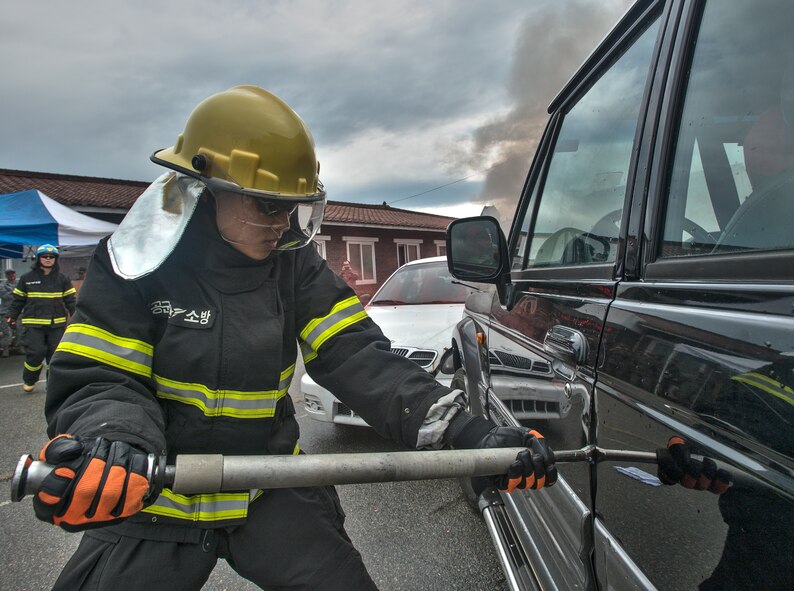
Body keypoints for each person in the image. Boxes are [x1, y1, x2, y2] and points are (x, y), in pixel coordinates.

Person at [34, 86, 557, 590]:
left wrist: (467, 434)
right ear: (208, 188)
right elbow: (100, 376)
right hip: (156, 495)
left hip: (267, 486)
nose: (282, 222)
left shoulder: (292, 264)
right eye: (267, 205)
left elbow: (357, 357)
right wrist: (114, 445)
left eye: (293, 207)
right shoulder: (136, 265)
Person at [9, 245, 76, 392]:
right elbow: (18, 301)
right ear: (38, 258)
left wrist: (78, 318)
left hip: (56, 325)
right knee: (36, 353)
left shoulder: (63, 279)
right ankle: (30, 379)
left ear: (55, 259)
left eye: (51, 257)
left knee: (55, 356)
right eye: (44, 256)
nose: (47, 259)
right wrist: (12, 317)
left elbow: (70, 301)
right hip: (34, 325)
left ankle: (52, 385)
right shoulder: (27, 278)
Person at [0, 268, 20, 356]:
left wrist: (11, 292)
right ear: (6, 276)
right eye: (9, 274)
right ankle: (5, 349)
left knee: (21, 330)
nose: (11, 276)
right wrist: (15, 292)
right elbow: (4, 296)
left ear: (15, 275)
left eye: (12, 274)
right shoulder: (2, 285)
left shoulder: (20, 284)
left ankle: (20, 347)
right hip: (5, 312)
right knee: (6, 332)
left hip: (19, 311)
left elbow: (22, 295)